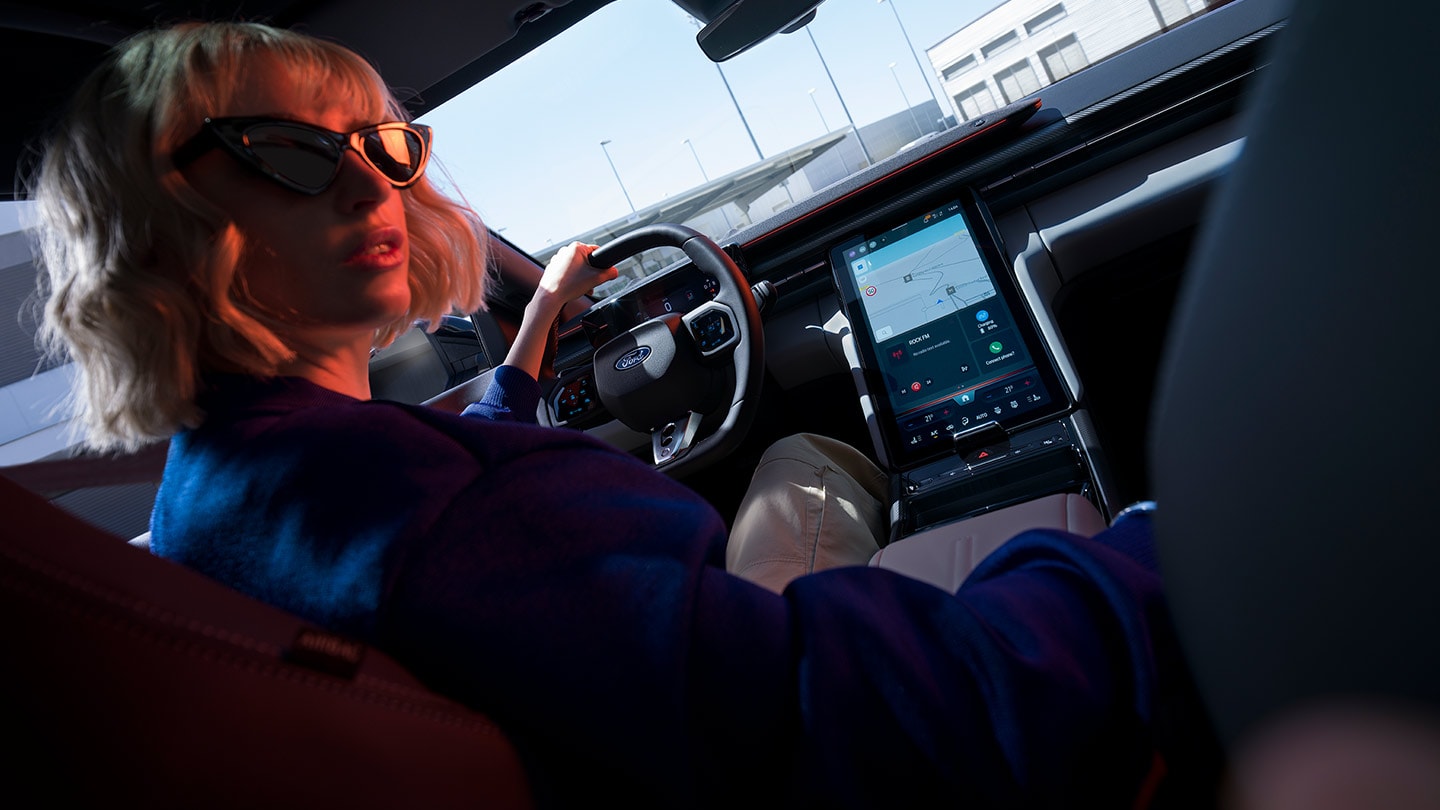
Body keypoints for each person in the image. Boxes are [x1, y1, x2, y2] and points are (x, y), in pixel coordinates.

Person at [30, 21, 1217, 808]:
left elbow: (459, 506)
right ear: (152, 223)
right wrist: (1182, 552)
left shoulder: (240, 490)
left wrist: (536, 337)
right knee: (811, 451)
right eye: (289, 154)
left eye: (384, 147)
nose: (365, 181)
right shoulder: (443, 511)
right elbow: (915, 717)